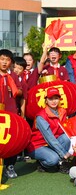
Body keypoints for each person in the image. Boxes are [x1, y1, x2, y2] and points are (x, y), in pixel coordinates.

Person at [27, 87, 72, 173]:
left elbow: (65, 131)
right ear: (46, 100)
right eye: (50, 99)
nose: (54, 101)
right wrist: (64, 153)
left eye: (56, 98)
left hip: (52, 142)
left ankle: (61, 162)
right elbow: (49, 138)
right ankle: (42, 163)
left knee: (66, 137)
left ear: (59, 99)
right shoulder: (41, 116)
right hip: (38, 145)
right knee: (53, 160)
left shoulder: (63, 112)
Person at [0, 49, 23, 178]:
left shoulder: (13, 76)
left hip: (10, 112)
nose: (4, 62)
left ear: (10, 63)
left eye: (7, 60)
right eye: (2, 59)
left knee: (12, 139)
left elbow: (20, 91)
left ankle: (10, 165)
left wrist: (13, 88)